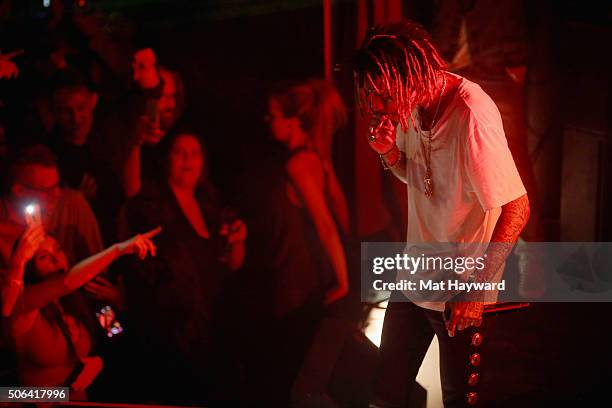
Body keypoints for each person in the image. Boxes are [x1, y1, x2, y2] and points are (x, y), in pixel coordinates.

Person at [353, 21, 530, 406]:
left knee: (458, 401)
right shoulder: (412, 106)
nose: (380, 106)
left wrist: (479, 288)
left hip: (461, 288)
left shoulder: (472, 115)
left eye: (384, 95)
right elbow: (419, 176)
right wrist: (389, 154)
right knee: (385, 394)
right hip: (415, 274)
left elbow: (517, 206)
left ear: (409, 77)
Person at [120, 128, 246, 405]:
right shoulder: (152, 204)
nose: (188, 159)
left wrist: (239, 240)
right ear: (166, 158)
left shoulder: (210, 203)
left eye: (194, 153)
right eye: (180, 152)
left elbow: (233, 265)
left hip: (210, 332)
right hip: (170, 337)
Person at [1, 221, 159, 400]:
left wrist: (117, 304)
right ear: (29, 267)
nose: (56, 259)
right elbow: (9, 395)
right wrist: (117, 250)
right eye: (43, 257)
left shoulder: (82, 297)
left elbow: (117, 336)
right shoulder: (24, 304)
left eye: (58, 249)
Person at [120, 48, 185, 198]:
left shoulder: (179, 133)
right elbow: (131, 189)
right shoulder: (133, 133)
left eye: (173, 95)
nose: (171, 103)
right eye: (163, 96)